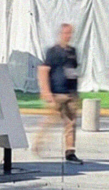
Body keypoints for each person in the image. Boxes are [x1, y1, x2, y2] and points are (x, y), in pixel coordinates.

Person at [34, 23, 83, 164]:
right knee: (50, 122)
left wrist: (75, 93)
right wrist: (46, 91)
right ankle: (38, 143)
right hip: (57, 93)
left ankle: (70, 152)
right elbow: (44, 70)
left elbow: (73, 71)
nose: (68, 36)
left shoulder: (72, 51)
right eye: (66, 33)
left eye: (70, 33)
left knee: (70, 124)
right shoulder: (53, 51)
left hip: (70, 93)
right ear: (61, 34)